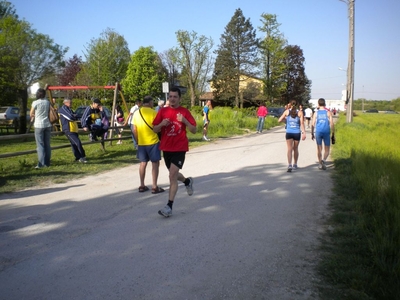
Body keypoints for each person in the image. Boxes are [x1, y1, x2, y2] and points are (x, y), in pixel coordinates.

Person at [153, 87, 197, 217]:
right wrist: (161, 124)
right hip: (166, 148)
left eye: (175, 97)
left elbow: (194, 130)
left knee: (172, 175)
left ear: (179, 98)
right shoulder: (162, 111)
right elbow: (155, 129)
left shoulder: (184, 112)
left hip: (179, 147)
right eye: (170, 96)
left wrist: (184, 121)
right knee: (174, 175)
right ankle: (187, 182)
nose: (172, 99)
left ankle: (169, 207)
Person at [133, 96, 164, 194]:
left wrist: (137, 141)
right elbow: (157, 128)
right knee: (155, 164)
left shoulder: (136, 113)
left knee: (143, 163)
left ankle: (142, 185)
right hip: (153, 141)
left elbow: (134, 129)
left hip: (142, 142)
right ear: (150, 103)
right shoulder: (154, 113)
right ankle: (154, 186)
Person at [278, 100, 306, 172]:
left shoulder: (287, 112)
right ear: (297, 105)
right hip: (297, 133)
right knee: (295, 148)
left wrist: (286, 120)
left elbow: (279, 120)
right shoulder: (300, 112)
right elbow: (302, 123)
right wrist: (304, 133)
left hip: (289, 132)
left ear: (290, 104)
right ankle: (295, 164)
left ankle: (289, 164)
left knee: (289, 149)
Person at [58, 98, 87, 163]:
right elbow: (70, 117)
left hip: (73, 129)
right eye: (70, 103)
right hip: (68, 129)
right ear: (66, 103)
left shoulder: (69, 109)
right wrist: (74, 116)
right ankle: (82, 156)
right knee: (77, 143)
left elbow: (76, 115)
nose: (71, 104)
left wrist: (74, 116)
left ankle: (78, 158)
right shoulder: (63, 109)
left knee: (74, 144)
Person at [30, 88, 52, 169]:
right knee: (47, 144)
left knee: (40, 145)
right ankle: (47, 162)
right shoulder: (47, 102)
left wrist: (35, 115)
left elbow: (31, 113)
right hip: (47, 124)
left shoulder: (35, 102)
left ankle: (41, 163)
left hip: (39, 124)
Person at [311, 98, 335, 170]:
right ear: (325, 104)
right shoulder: (328, 113)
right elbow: (332, 124)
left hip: (318, 132)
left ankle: (320, 163)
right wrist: (333, 133)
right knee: (327, 149)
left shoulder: (316, 113)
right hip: (326, 132)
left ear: (318, 104)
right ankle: (324, 160)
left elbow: (313, 123)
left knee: (319, 148)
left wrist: (312, 133)